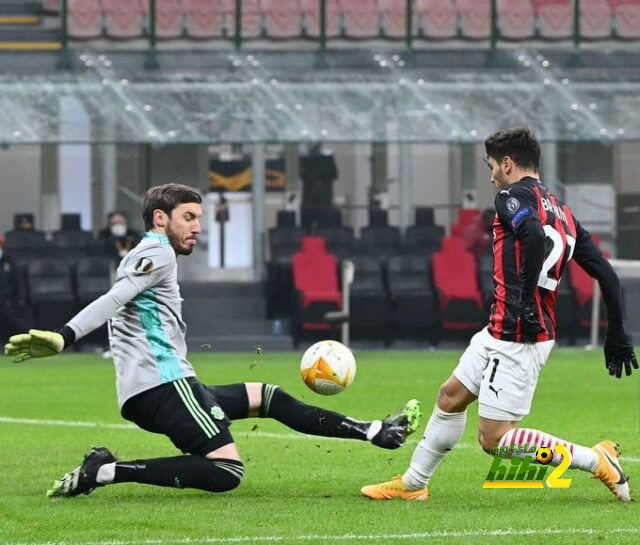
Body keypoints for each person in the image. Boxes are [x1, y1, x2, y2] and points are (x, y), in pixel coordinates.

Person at [4, 183, 421, 498]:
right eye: (189, 217)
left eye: (199, 218)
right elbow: (114, 299)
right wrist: (64, 335)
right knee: (226, 472)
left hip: (157, 387)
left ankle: (373, 431)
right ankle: (106, 471)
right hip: (163, 385)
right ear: (161, 219)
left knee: (269, 397)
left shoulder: (144, 253)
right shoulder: (158, 253)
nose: (198, 228)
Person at [361, 127, 638, 503]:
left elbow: (532, 235)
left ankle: (595, 459)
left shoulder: (510, 195)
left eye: (491, 165)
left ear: (507, 163)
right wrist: (618, 332)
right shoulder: (563, 211)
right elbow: (605, 272)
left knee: (494, 440)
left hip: (520, 332)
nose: (491, 174)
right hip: (503, 327)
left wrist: (524, 299)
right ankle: (413, 484)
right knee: (450, 397)